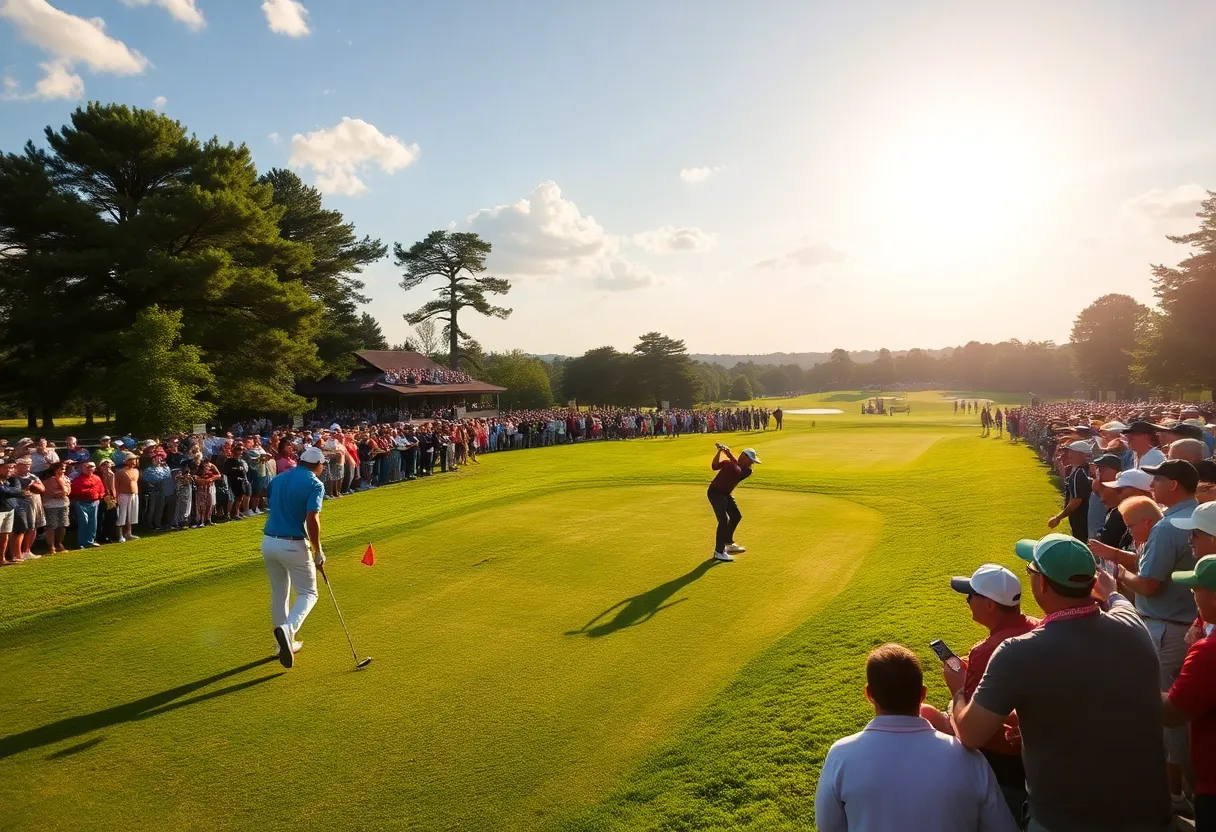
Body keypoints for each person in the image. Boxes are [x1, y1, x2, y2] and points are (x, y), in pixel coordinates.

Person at [950, 533, 1172, 832]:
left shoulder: (1017, 652)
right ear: (1091, 582)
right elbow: (1118, 602)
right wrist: (1108, 592)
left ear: (1040, 582)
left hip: (1065, 820)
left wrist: (958, 692)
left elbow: (970, 734)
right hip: (1149, 814)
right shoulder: (1133, 625)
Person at [814, 643, 1016, 832]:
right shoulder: (969, 759)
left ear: (869, 694)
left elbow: (828, 827)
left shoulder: (840, 756)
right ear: (923, 694)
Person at [920, 564, 1037, 823]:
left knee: (925, 715)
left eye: (971, 595)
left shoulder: (985, 651)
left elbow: (971, 728)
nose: (967, 600)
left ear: (990, 605)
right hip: (1039, 753)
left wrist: (958, 689)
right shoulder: (1038, 627)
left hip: (1003, 764)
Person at [1161, 546, 1216, 831]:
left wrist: (1133, 681)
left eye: (1196, 588)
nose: (1192, 595)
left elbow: (1172, 712)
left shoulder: (1208, 652)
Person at [262, 444, 327, 669]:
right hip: (293, 543)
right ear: (317, 465)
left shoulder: (279, 479)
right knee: (309, 592)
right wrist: (318, 550)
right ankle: (288, 631)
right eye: (322, 466)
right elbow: (312, 519)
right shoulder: (314, 483)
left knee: (279, 593)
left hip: (268, 541)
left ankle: (280, 646)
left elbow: (271, 502)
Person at [707, 444, 760, 562]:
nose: (752, 463)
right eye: (751, 460)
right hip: (715, 493)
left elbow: (737, 469)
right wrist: (720, 452)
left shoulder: (747, 471)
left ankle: (727, 543)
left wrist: (728, 454)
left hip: (725, 494)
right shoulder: (731, 464)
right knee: (723, 520)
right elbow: (714, 466)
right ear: (744, 457)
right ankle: (719, 552)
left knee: (736, 516)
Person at [1047, 441, 1091, 540]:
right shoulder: (1086, 470)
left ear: (1082, 454)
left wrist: (1058, 517)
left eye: (1072, 452)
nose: (1069, 455)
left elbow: (1076, 500)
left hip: (1080, 516)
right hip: (1087, 516)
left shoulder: (1079, 473)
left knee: (1081, 542)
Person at [69, 460, 105, 548]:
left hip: (94, 502)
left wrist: (99, 496)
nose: (90, 469)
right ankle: (82, 542)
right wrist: (90, 490)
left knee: (93, 522)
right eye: (87, 467)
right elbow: (75, 490)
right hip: (82, 502)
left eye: (91, 467)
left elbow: (102, 489)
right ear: (82, 468)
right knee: (83, 522)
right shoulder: (79, 479)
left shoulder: (97, 478)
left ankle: (90, 541)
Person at [114, 454, 141, 542]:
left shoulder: (136, 471)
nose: (134, 462)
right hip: (123, 495)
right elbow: (116, 486)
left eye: (135, 460)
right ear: (127, 461)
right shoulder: (120, 472)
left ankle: (129, 533)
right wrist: (116, 497)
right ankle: (120, 535)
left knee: (131, 514)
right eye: (132, 460)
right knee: (122, 515)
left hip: (134, 495)